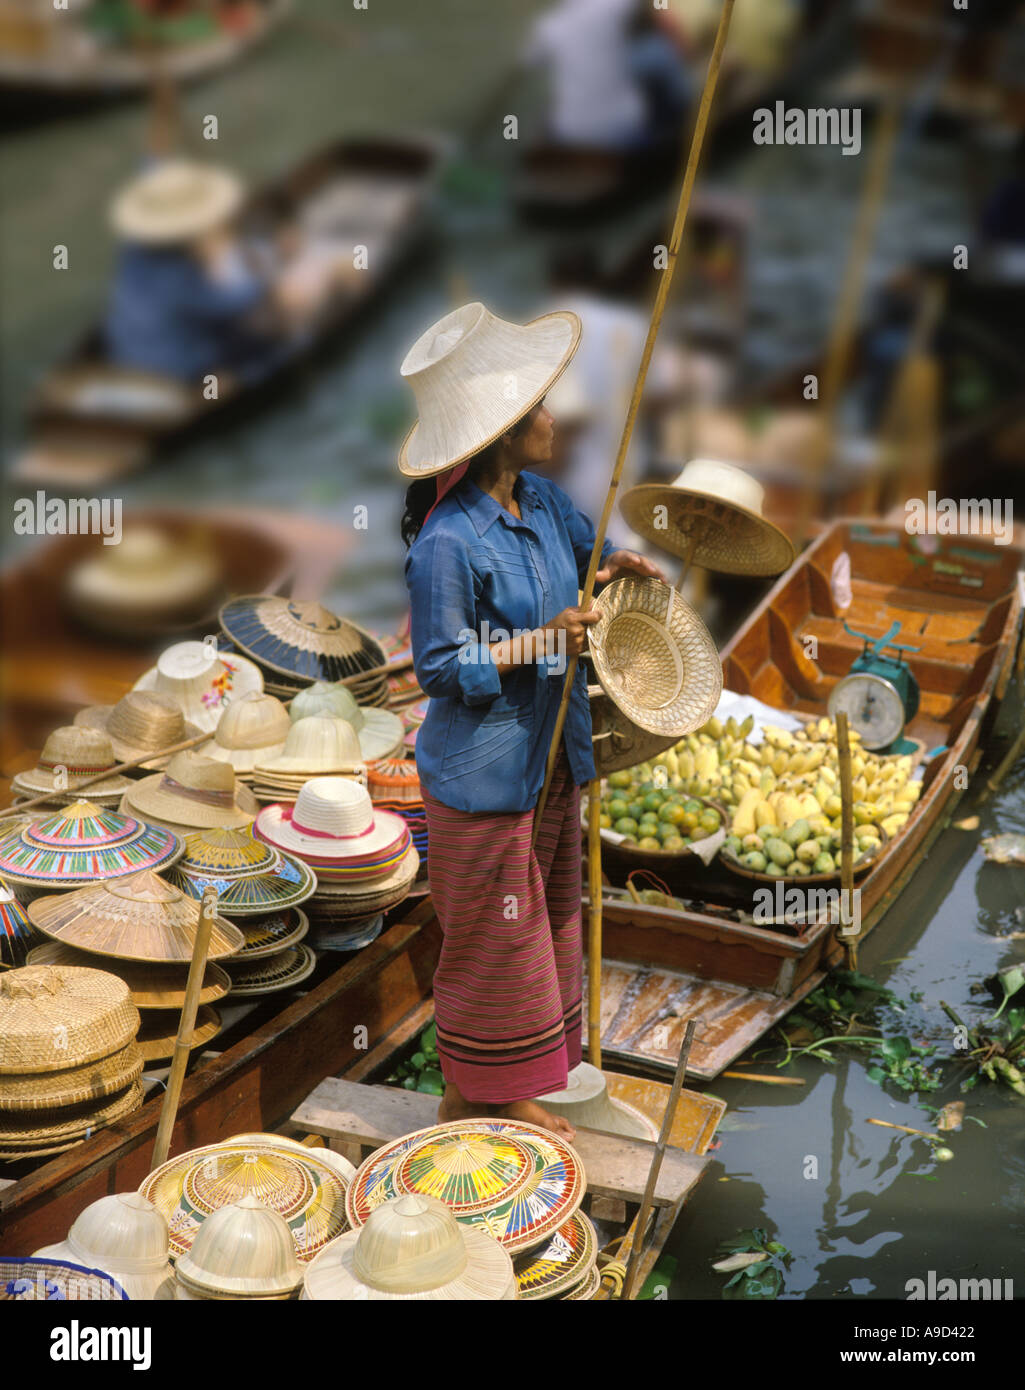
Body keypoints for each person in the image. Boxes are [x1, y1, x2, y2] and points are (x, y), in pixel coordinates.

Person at [400, 301, 663, 1139]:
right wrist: (535, 641)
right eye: (537, 409)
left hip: (553, 758)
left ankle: (522, 1080)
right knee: (491, 943)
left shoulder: (542, 503)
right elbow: (439, 668)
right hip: (484, 772)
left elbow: (582, 563)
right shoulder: (447, 541)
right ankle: (477, 1093)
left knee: (548, 920)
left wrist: (615, 565)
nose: (554, 417)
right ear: (504, 431)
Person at [105, 160, 316, 385]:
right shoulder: (175, 274)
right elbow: (233, 303)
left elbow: (148, 168)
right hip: (174, 367)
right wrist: (276, 265)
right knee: (290, 342)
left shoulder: (134, 244)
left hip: (124, 347)